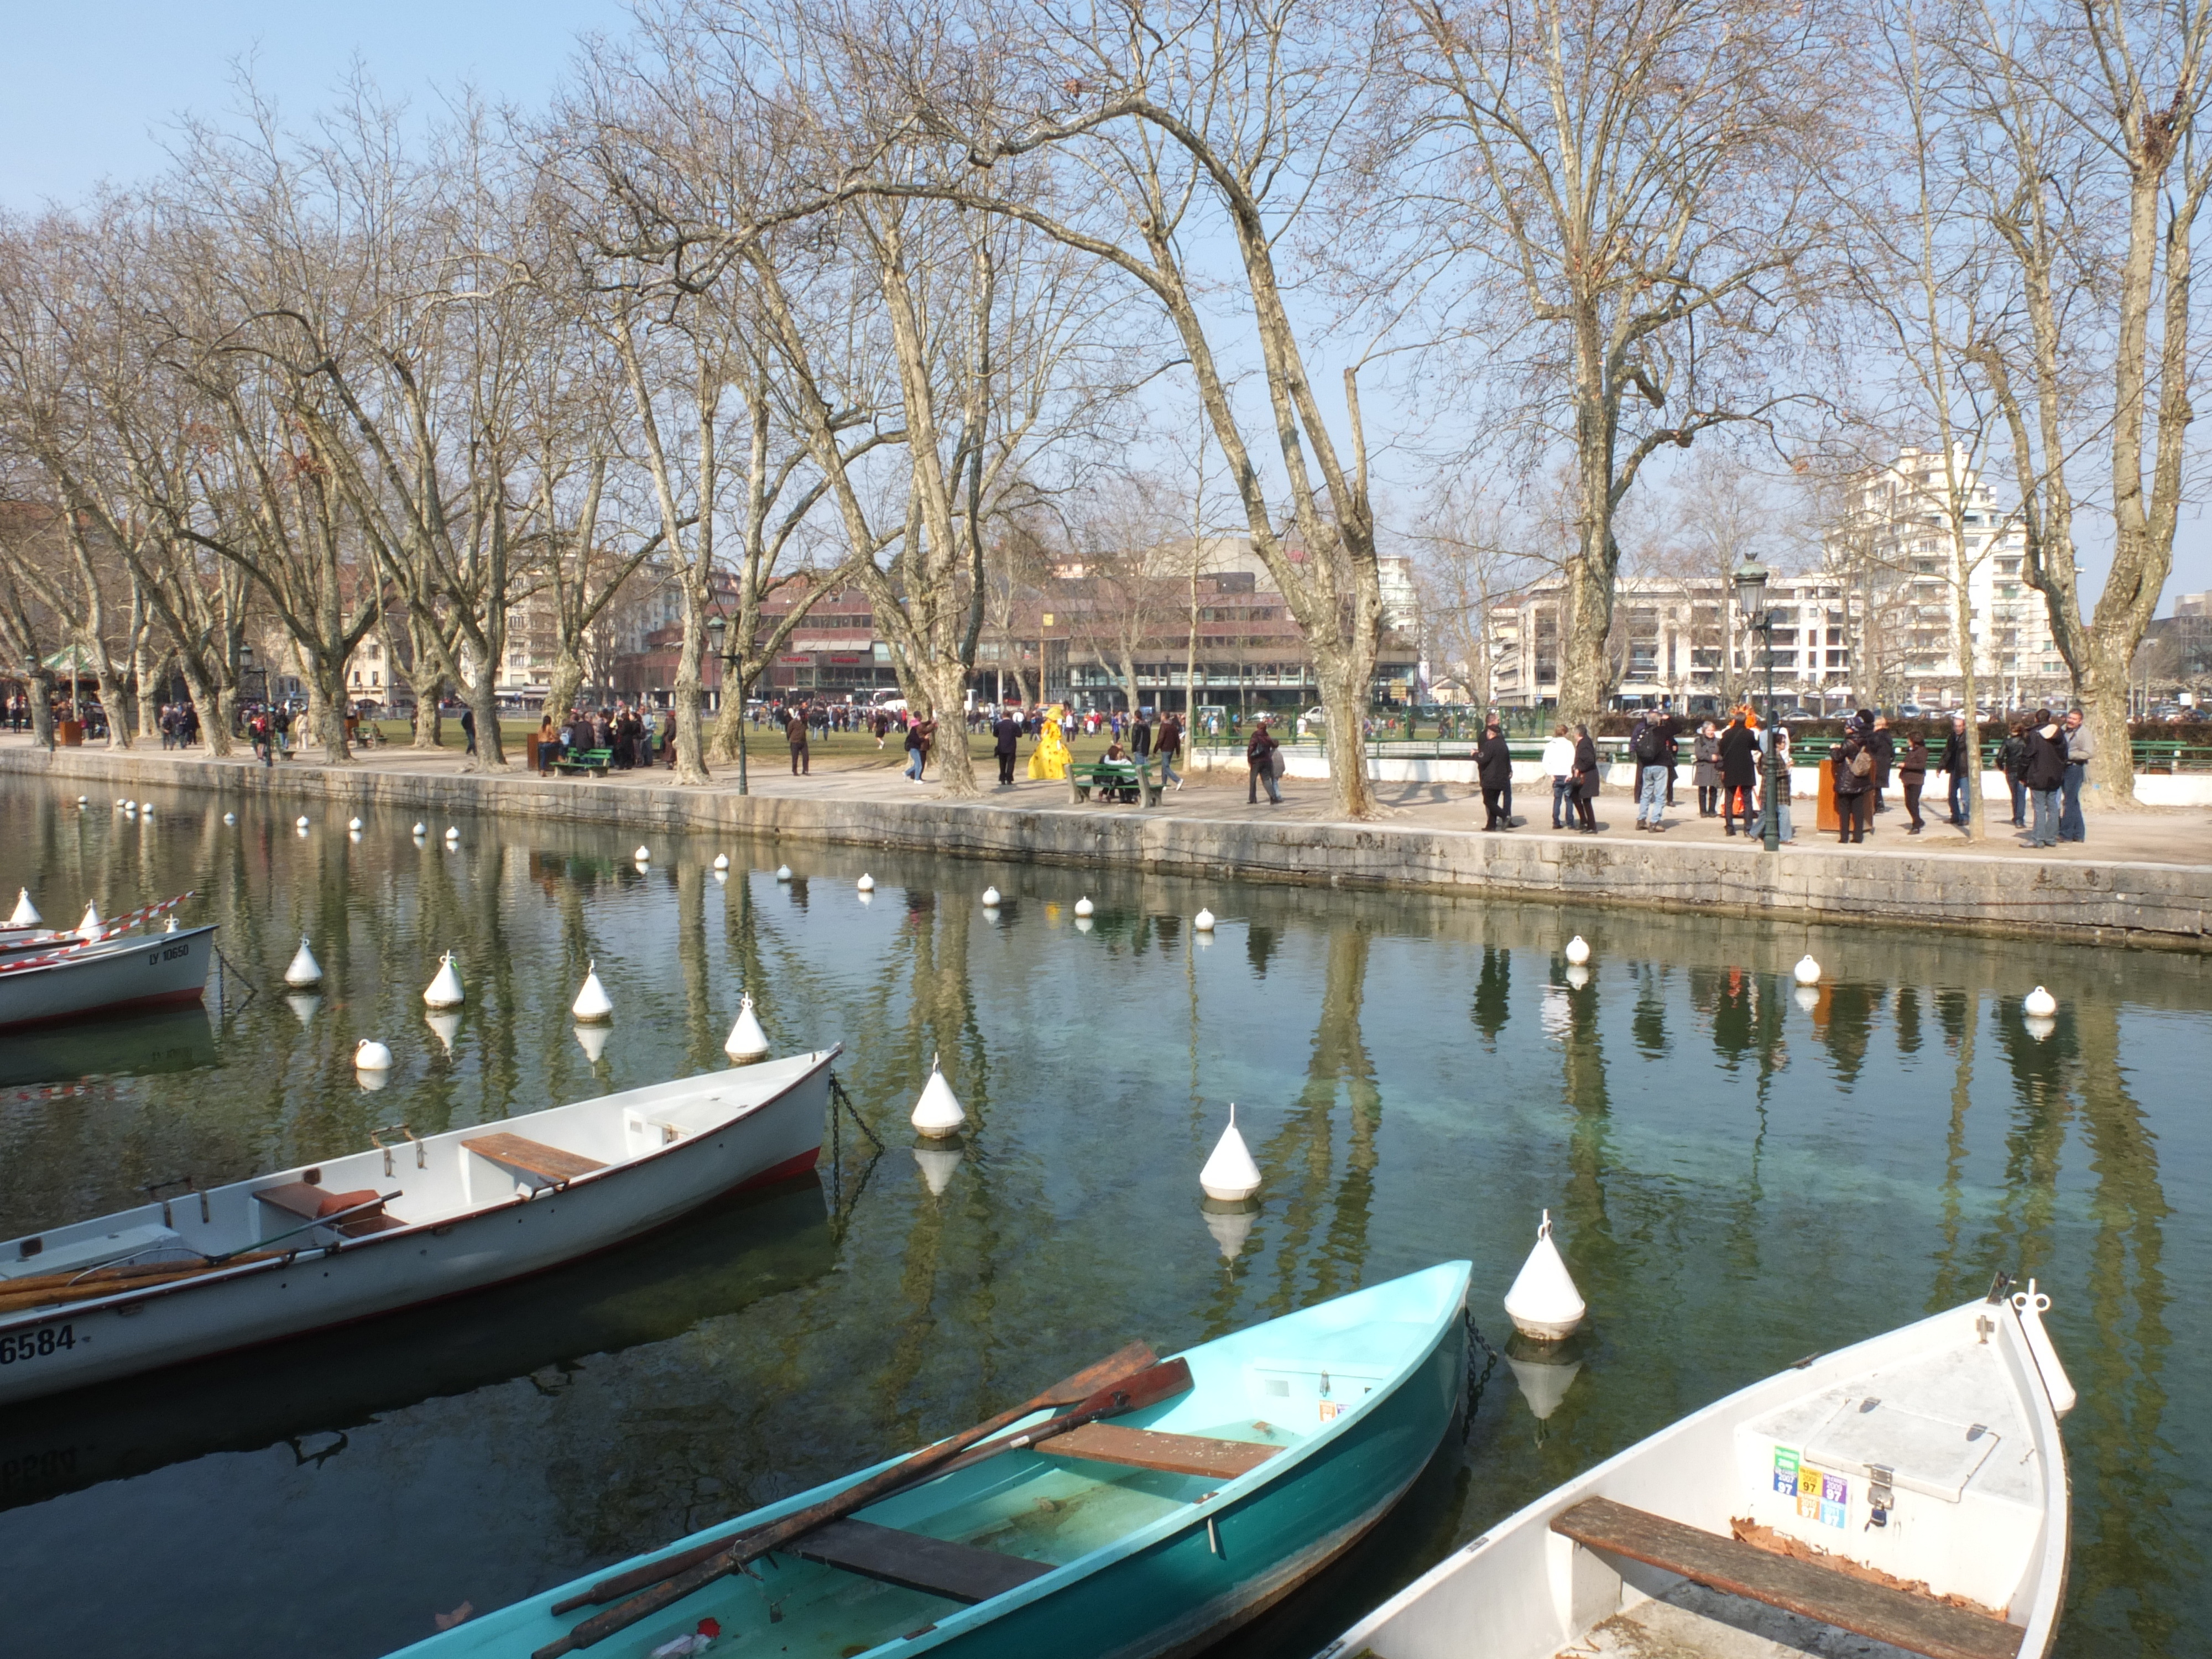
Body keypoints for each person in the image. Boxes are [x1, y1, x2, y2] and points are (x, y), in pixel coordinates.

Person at [2024, 709, 2068, 848]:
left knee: (2039, 807)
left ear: (2037, 719)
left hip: (2038, 774)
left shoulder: (2034, 734)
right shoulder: (2060, 734)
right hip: (2055, 775)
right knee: (2053, 807)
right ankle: (2051, 837)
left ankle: (2038, 838)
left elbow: (2028, 754)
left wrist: (2022, 773)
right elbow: (2064, 754)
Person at [1631, 709, 1674, 831]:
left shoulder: (1643, 731)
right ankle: (1654, 822)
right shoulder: (1662, 731)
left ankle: (1641, 820)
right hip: (1660, 765)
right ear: (1659, 720)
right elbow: (1678, 728)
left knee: (1646, 794)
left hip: (1646, 766)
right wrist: (1669, 719)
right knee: (1660, 795)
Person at [1833, 716, 1875, 844]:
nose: (1845, 729)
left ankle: (1844, 837)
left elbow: (1838, 758)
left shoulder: (1848, 743)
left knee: (1844, 809)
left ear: (1851, 729)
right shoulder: (1866, 741)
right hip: (1861, 778)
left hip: (1847, 779)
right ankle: (1858, 836)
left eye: (1847, 726)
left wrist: (1833, 749)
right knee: (1858, 810)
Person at [1717, 711, 1759, 835]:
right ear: (1745, 720)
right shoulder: (1749, 734)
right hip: (1746, 770)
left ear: (1734, 720)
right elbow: (1755, 747)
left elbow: (1722, 750)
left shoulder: (1727, 734)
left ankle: (1729, 828)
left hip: (1730, 769)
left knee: (1729, 799)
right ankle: (1748, 828)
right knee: (1747, 799)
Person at [2059, 709, 2093, 842]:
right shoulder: (2062, 731)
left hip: (2075, 768)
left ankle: (2066, 834)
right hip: (2064, 768)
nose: (2071, 721)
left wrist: (2069, 755)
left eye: (2074, 719)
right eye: (2070, 718)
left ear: (2080, 721)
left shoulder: (2085, 734)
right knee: (2072, 802)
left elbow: (2089, 753)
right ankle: (2079, 834)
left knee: (2069, 802)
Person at [1475, 719, 1514, 830]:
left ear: (1490, 734)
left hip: (1491, 778)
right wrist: (1509, 771)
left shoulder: (1490, 745)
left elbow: (1483, 759)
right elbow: (1507, 760)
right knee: (1494, 801)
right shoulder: (1503, 745)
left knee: (1487, 801)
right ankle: (1491, 825)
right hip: (1501, 778)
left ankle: (1504, 816)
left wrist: (1474, 755)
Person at [1940, 714, 1973, 827]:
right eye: (1955, 726)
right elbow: (1947, 752)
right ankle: (1955, 816)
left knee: (1965, 797)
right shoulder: (1952, 737)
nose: (1957, 728)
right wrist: (1941, 766)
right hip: (1954, 769)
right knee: (1952, 795)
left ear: (1964, 726)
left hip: (1964, 770)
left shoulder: (1969, 737)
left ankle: (1965, 817)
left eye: (1959, 726)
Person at [1541, 723, 1576, 828]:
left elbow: (1546, 761)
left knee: (1557, 800)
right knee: (1569, 800)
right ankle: (1570, 822)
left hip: (1556, 775)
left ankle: (1556, 822)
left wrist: (1551, 774)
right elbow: (1572, 760)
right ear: (1565, 733)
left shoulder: (1550, 745)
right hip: (1566, 775)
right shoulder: (1569, 745)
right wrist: (1570, 774)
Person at [2000, 717, 2031, 827]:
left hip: (2011, 770)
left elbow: (1999, 757)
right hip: (2023, 770)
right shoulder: (2026, 742)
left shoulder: (2008, 742)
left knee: (2014, 795)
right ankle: (2020, 819)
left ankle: (2016, 816)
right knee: (2021, 795)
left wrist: (2002, 767)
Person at [1570, 724, 1600, 832]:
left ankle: (1591, 826)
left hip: (1587, 776)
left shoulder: (1584, 744)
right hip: (1585, 775)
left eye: (1574, 733)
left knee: (1586, 800)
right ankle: (1584, 821)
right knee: (1574, 795)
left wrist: (1578, 768)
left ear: (1578, 734)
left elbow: (1590, 760)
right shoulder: (1584, 743)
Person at [1029, 705, 1072, 780]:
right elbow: (1044, 733)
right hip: (1051, 741)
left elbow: (1045, 734)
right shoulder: (1049, 724)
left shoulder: (1055, 724)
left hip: (1054, 741)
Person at [1898, 728, 1929, 833]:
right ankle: (1918, 821)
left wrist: (1906, 765)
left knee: (1913, 803)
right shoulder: (1911, 751)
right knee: (1908, 803)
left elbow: (1921, 765)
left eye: (1909, 740)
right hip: (1908, 779)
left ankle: (1916, 825)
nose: (1908, 742)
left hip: (1916, 780)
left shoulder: (1922, 751)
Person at [1246, 716, 1281, 805]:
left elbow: (1251, 748)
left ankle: (1253, 799)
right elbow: (1274, 745)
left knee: (1253, 780)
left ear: (1258, 728)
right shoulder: (1267, 736)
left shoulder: (1255, 735)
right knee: (1266, 780)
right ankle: (1273, 798)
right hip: (1266, 761)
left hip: (1257, 761)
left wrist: (1249, 759)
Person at [1693, 721, 1721, 816]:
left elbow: (1723, 754)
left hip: (1714, 768)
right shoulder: (1699, 741)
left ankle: (1712, 810)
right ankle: (1703, 811)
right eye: (1709, 730)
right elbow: (1699, 754)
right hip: (1703, 768)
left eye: (1712, 730)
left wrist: (1717, 758)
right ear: (1704, 731)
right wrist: (1710, 757)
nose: (1711, 732)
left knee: (1714, 790)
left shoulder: (1718, 741)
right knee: (1702, 791)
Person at [1869, 714, 1894, 813]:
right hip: (1885, 763)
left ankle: (1877, 805)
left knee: (1874, 784)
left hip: (1876, 762)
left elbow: (1872, 749)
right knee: (1878, 786)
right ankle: (1879, 804)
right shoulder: (1888, 736)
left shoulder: (1876, 736)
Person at [993, 706, 1020, 786]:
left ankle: (1002, 779)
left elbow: (995, 734)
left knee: (1002, 763)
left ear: (1003, 716)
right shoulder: (1014, 725)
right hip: (1011, 746)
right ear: (1010, 716)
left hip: (1001, 746)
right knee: (1011, 763)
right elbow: (1019, 735)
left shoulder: (999, 725)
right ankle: (1009, 779)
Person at [1156, 709, 1183, 790]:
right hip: (1171, 749)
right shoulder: (1173, 726)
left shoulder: (1164, 726)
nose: (1161, 717)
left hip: (1166, 748)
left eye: (1161, 716)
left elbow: (1161, 738)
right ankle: (1164, 784)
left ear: (1164, 717)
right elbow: (1177, 740)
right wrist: (1178, 751)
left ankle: (1178, 780)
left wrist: (1156, 749)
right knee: (1164, 766)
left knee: (1166, 767)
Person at [905, 715, 934, 781]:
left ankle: (908, 773)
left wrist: (929, 722)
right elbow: (925, 730)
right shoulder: (916, 730)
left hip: (918, 747)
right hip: (917, 748)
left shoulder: (916, 729)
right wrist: (933, 725)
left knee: (918, 764)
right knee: (919, 764)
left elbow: (923, 725)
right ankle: (917, 778)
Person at [786, 704, 811, 775]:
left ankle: (805, 770)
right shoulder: (793, 723)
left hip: (803, 742)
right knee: (795, 757)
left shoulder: (805, 723)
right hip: (795, 742)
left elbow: (806, 727)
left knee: (806, 756)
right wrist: (791, 738)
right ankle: (795, 771)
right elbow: (789, 731)